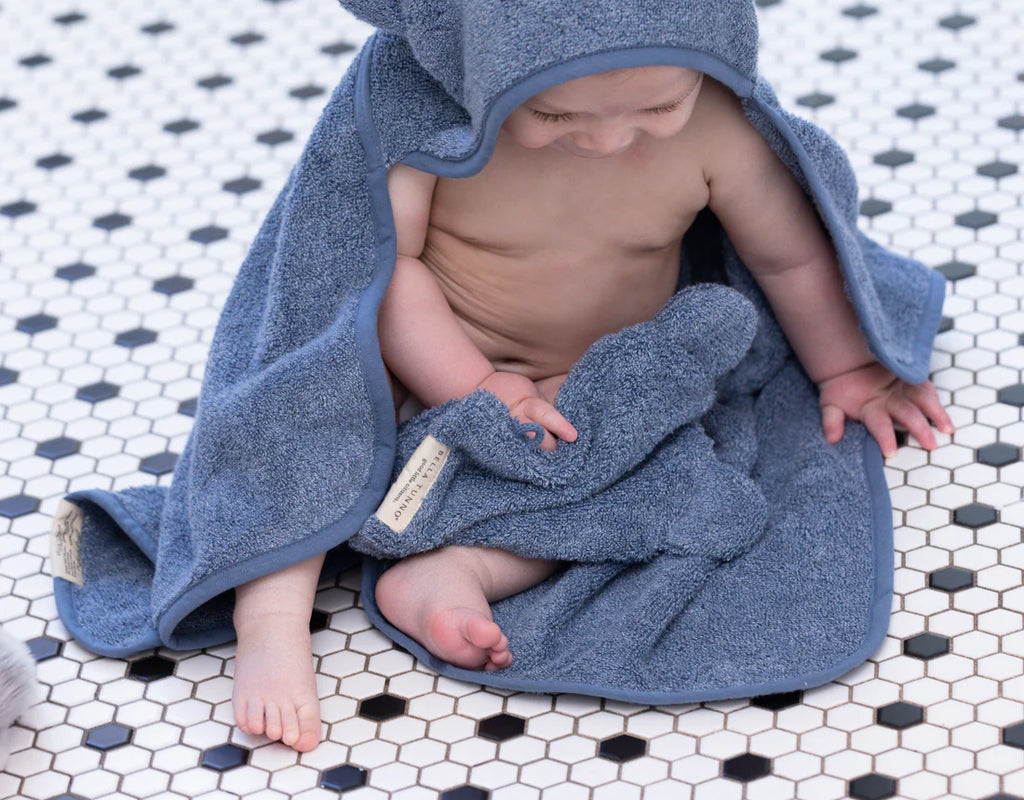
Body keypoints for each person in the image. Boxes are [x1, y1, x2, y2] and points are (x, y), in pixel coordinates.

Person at [230, 61, 954, 751]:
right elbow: (384, 273)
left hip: (587, 386)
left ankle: (460, 572)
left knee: (632, 478)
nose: (607, 137)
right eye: (552, 112)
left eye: (658, 108)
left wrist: (850, 363)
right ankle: (270, 616)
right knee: (310, 422)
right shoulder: (435, 130)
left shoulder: (717, 126)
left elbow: (786, 258)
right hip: (433, 363)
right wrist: (479, 388)